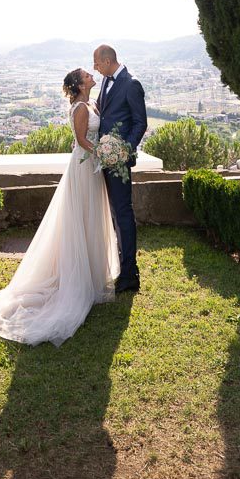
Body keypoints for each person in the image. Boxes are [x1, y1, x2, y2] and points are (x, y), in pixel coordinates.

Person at [0, 67, 120, 346]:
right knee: (81, 218)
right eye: (87, 75)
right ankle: (76, 281)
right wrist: (102, 152)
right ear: (78, 84)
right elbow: (80, 140)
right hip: (84, 166)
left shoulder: (91, 103)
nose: (91, 75)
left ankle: (92, 273)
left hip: (91, 168)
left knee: (91, 218)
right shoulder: (80, 108)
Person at [92, 43, 146, 292]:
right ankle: (121, 267)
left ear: (106, 61)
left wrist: (125, 149)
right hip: (104, 157)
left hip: (119, 161)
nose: (94, 67)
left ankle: (130, 274)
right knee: (114, 213)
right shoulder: (105, 81)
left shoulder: (131, 83)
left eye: (96, 62)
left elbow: (140, 122)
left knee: (123, 213)